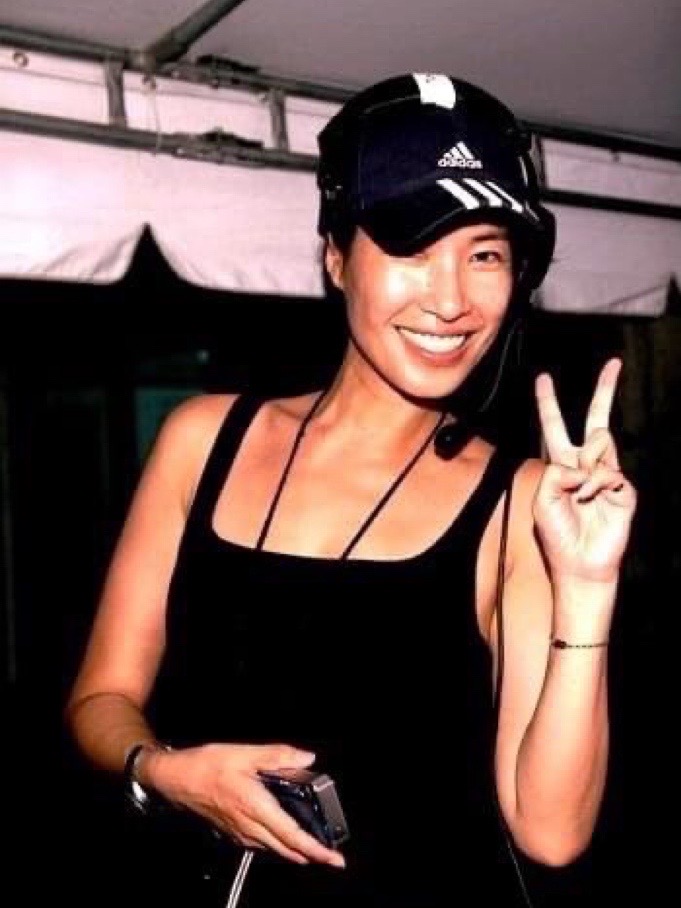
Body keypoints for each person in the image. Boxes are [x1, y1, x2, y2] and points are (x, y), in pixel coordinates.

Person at [64, 72, 636, 908]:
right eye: (411, 248)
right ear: (335, 256)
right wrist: (166, 772)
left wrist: (586, 588)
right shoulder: (202, 440)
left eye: (483, 254)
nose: (450, 299)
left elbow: (550, 832)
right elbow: (102, 698)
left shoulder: (523, 505)